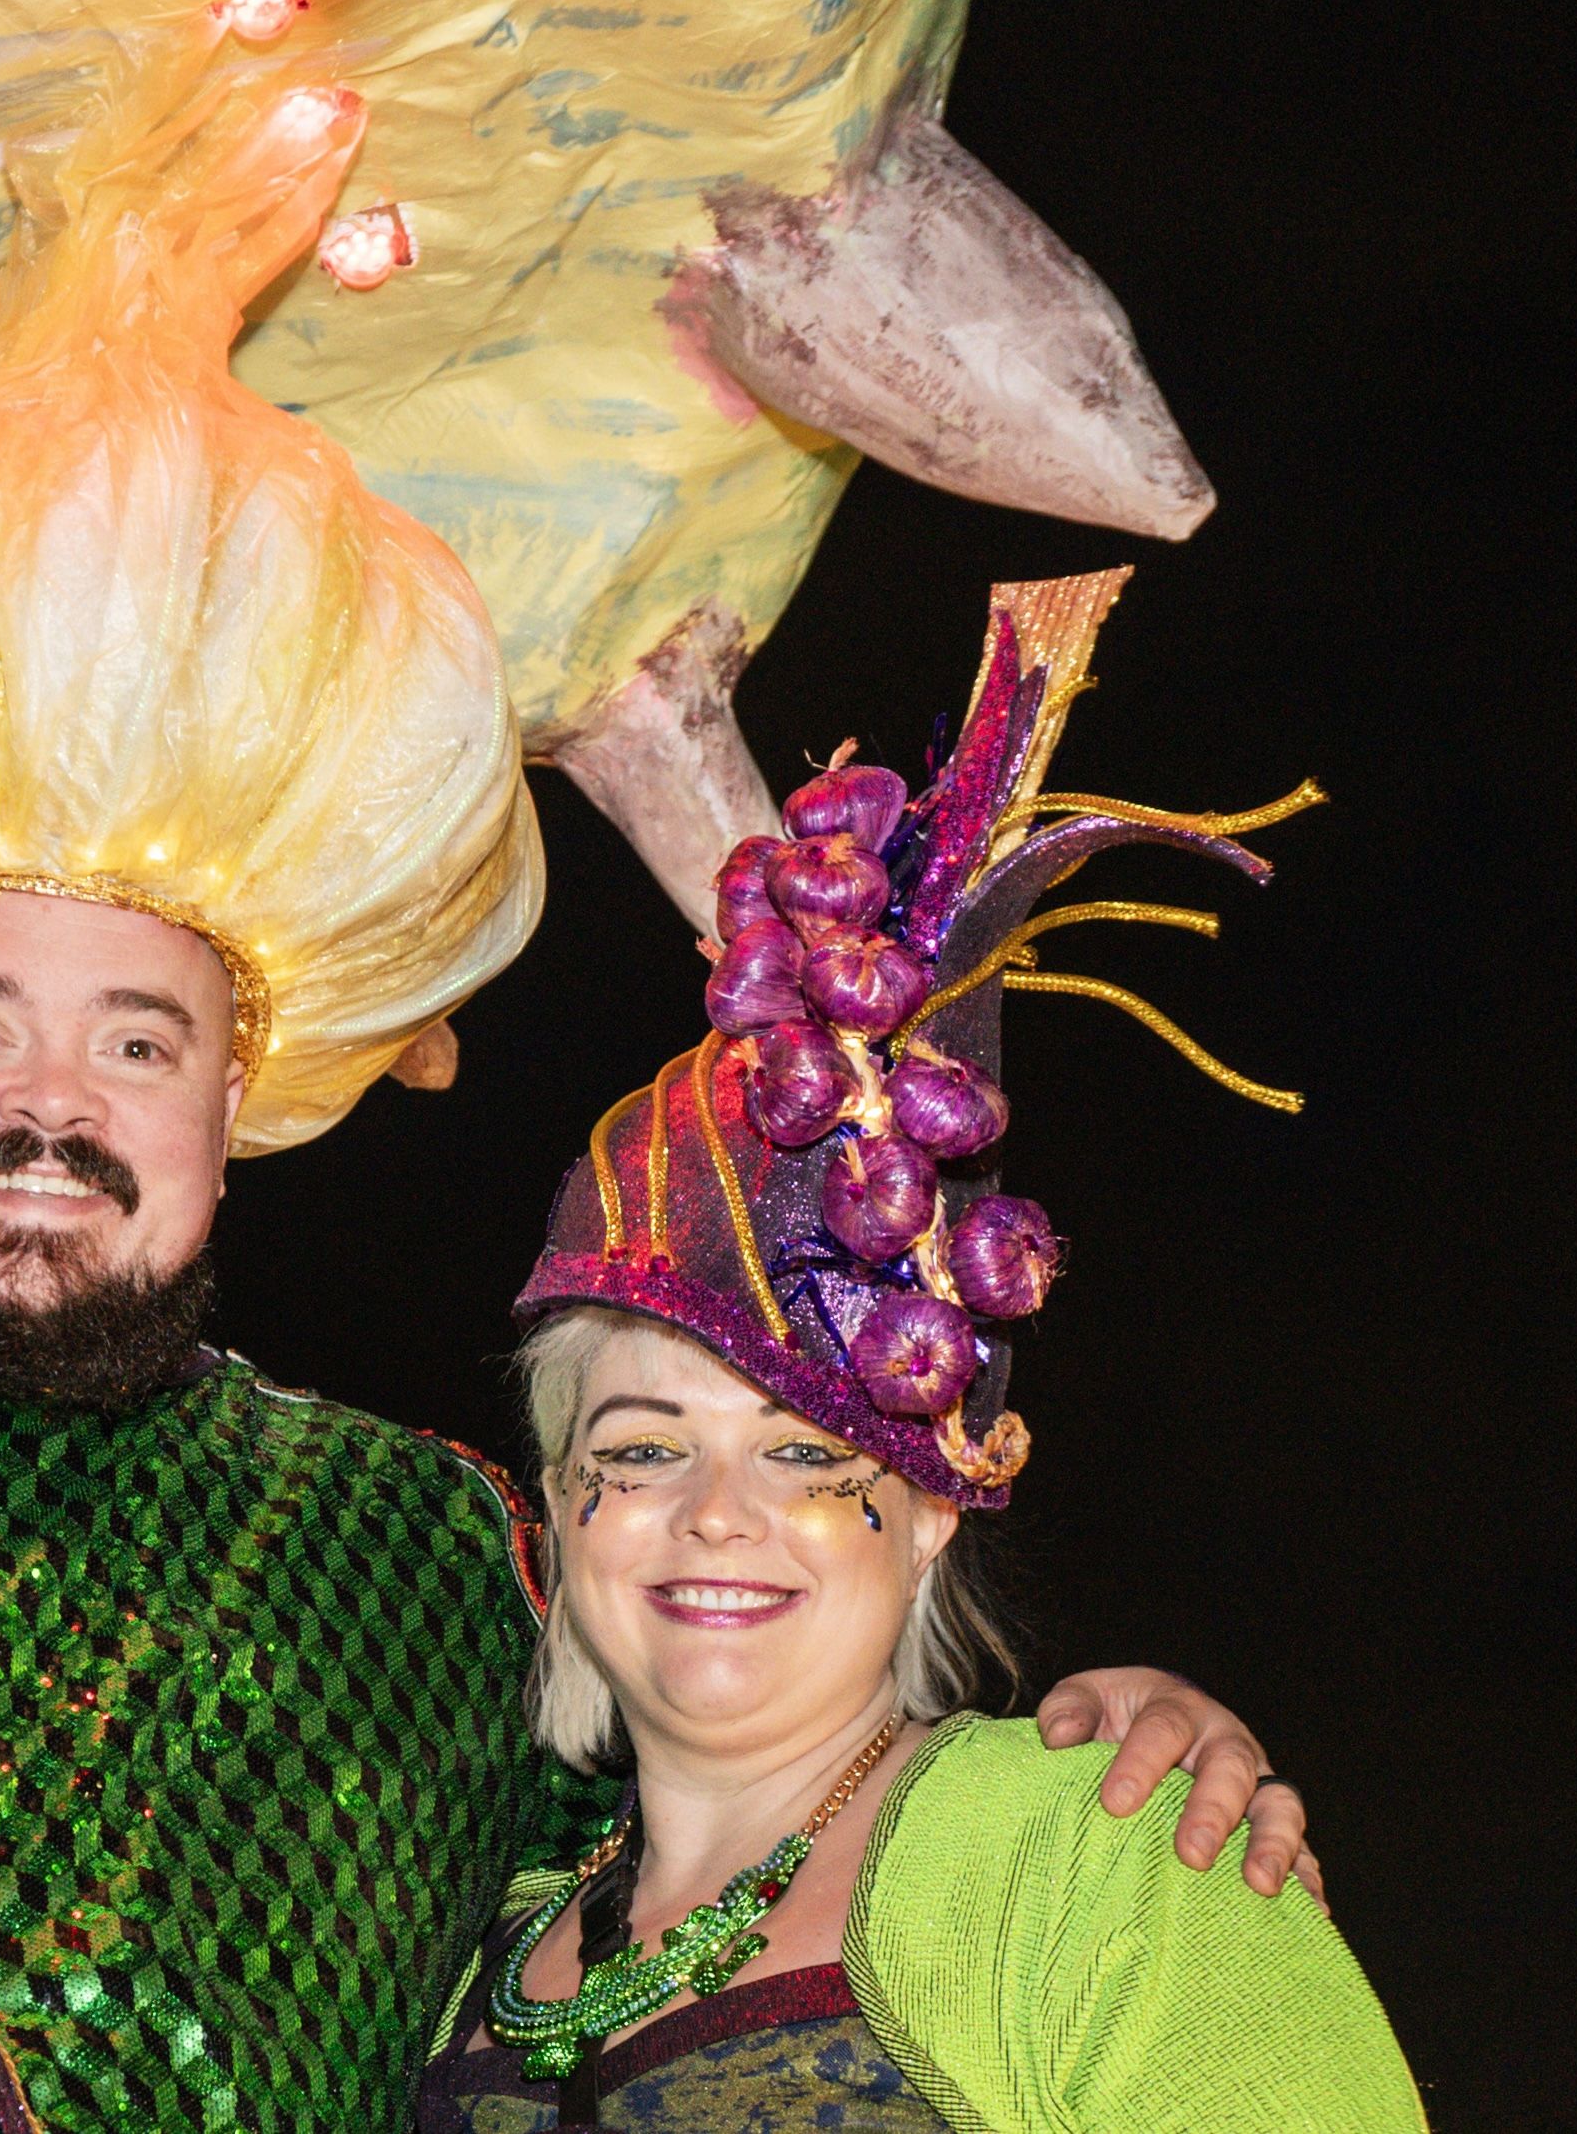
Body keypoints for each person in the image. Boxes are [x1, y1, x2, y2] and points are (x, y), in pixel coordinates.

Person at [0, 42, 1309, 2134]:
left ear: (240, 1092)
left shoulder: (429, 1559)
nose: (52, 1103)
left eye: (139, 1040)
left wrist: (1085, 1755)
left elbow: (699, 1891)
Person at [421, 579, 1414, 2131]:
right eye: (642, 1449)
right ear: (561, 1506)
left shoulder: (1102, 1858)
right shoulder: (467, 1952)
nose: (716, 1514)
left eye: (804, 1454)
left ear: (934, 1507)